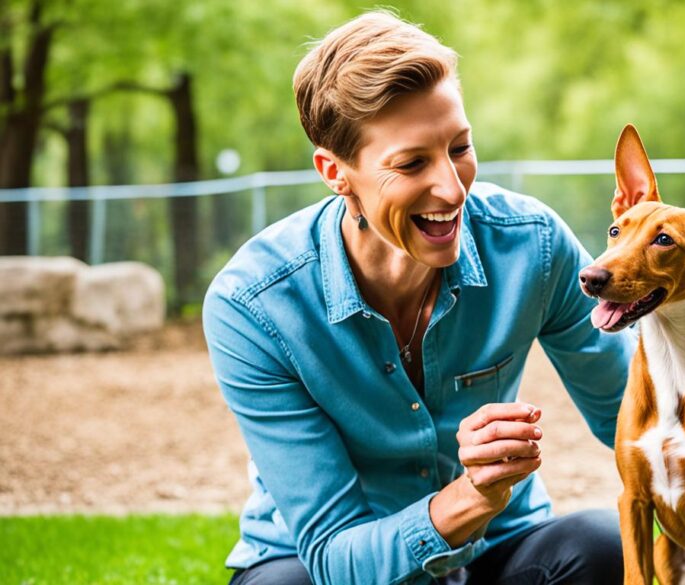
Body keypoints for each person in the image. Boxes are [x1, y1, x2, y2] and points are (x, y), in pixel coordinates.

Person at [203, 11, 635, 585]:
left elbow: (641, 419)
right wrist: (471, 496)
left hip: (497, 548)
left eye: (460, 147)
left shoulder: (533, 246)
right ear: (336, 172)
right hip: (325, 564)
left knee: (604, 546)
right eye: (411, 164)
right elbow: (334, 556)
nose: (453, 189)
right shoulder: (254, 306)